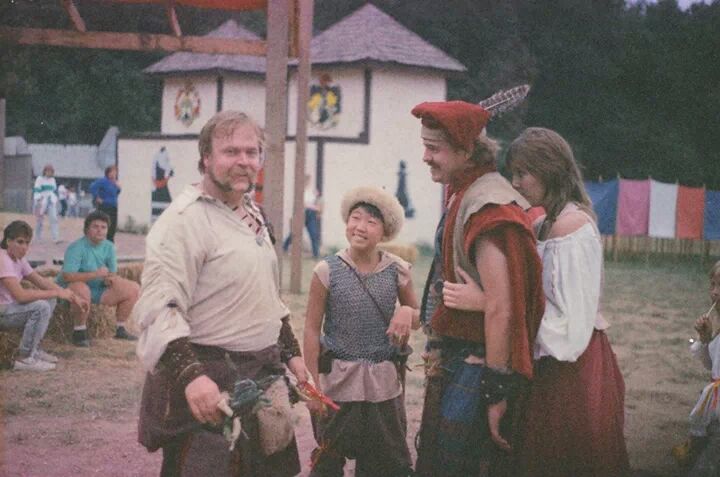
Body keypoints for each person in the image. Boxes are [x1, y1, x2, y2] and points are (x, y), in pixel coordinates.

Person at [133, 110, 308, 476]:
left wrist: (291, 355)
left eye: (251, 152)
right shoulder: (182, 222)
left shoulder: (252, 213)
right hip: (210, 381)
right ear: (205, 159)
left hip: (262, 375)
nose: (243, 161)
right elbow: (160, 309)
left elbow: (266, 296)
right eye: (231, 152)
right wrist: (193, 378)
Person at [410, 101, 545, 476]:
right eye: (425, 146)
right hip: (461, 355)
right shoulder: (466, 191)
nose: (425, 157)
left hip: (479, 362)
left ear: (467, 151)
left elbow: (502, 306)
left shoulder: (488, 207)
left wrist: (495, 391)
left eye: (434, 148)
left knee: (461, 464)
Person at [506, 127, 629, 476]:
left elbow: (572, 320)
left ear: (549, 170)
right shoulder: (546, 222)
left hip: (570, 363)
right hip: (547, 358)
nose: (515, 182)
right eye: (513, 173)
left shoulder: (571, 228)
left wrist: (510, 322)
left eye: (522, 173)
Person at [303, 186, 418, 477]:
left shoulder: (398, 270)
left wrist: (406, 311)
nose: (361, 227)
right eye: (356, 217)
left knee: (385, 463)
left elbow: (419, 318)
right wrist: (312, 386)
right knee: (328, 460)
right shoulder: (326, 271)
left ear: (385, 231)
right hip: (338, 384)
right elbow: (311, 329)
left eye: (371, 221)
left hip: (383, 385)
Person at [0, 221, 87, 371]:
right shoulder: (2, 259)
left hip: (10, 309)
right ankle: (25, 358)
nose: (24, 247)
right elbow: (20, 296)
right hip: (3, 311)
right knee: (40, 307)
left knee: (49, 299)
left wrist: (72, 296)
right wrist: (57, 293)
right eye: (20, 242)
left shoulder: (18, 259)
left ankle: (35, 350)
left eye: (27, 243)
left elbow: (41, 282)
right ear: (8, 241)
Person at [56, 210, 139, 346]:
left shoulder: (109, 247)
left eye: (103, 227)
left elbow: (112, 272)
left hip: (97, 289)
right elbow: (67, 276)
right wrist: (95, 274)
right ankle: (79, 332)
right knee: (81, 288)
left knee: (133, 288)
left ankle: (120, 328)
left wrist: (110, 279)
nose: (100, 230)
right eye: (95, 227)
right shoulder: (76, 247)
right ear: (87, 229)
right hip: (70, 290)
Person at [673, 260, 720, 475]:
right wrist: (706, 338)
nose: (714, 293)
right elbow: (713, 366)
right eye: (712, 285)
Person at [283, 173, 322, 258]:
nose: (307, 182)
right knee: (295, 232)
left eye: (308, 180)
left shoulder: (313, 191)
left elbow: (318, 201)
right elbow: (302, 203)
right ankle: (284, 248)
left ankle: (316, 254)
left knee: (313, 233)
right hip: (303, 213)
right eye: (306, 180)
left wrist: (317, 207)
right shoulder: (300, 190)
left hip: (311, 214)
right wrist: (314, 207)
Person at [89, 165, 121, 242]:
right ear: (108, 173)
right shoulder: (103, 181)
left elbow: (115, 194)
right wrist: (97, 197)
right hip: (105, 207)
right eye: (113, 172)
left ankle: (110, 246)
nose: (114, 174)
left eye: (115, 172)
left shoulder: (114, 183)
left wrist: (119, 188)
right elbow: (92, 187)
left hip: (113, 207)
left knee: (112, 228)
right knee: (104, 226)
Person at [33, 164, 61, 243]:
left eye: (51, 172)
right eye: (48, 171)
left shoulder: (53, 180)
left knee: (54, 219)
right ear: (45, 171)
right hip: (41, 200)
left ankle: (55, 237)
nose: (49, 173)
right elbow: (37, 189)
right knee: (40, 220)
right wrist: (38, 200)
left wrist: (55, 199)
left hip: (50, 201)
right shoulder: (40, 179)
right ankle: (37, 237)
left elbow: (54, 190)